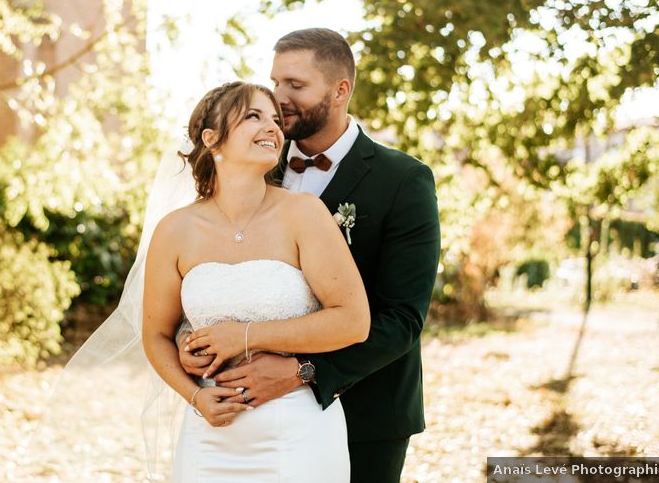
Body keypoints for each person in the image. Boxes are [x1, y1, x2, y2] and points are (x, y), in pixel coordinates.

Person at [178, 28, 441, 483]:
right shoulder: (252, 162)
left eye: (295, 86)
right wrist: (194, 344)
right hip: (238, 416)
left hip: (367, 409)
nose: (278, 99)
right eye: (276, 82)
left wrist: (306, 372)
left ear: (340, 91)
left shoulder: (403, 181)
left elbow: (402, 318)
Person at [142, 81, 371, 482]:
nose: (273, 128)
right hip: (210, 437)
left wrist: (244, 335)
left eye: (275, 120)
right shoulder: (175, 230)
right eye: (253, 116)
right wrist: (195, 394)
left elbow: (353, 320)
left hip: (299, 432)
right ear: (212, 140)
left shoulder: (304, 214)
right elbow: (156, 335)